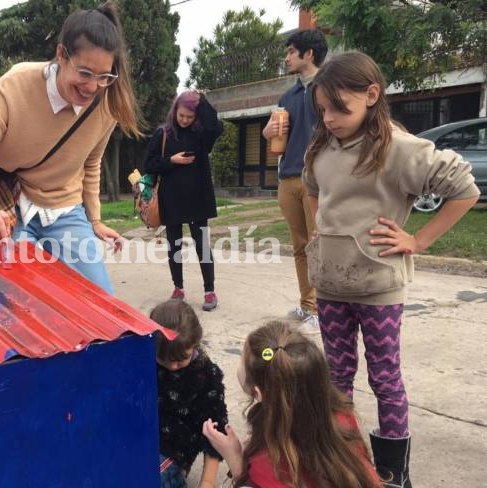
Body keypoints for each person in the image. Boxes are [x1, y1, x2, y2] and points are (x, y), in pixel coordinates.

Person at [303, 52, 479, 487]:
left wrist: (417, 240)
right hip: (330, 288)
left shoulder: (400, 149)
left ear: (371, 95)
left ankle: (394, 473)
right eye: (322, 109)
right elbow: (312, 189)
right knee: (336, 378)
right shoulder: (322, 148)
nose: (328, 118)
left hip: (379, 288)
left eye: (338, 108)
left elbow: (465, 189)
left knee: (384, 377)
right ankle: (341, 461)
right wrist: (318, 236)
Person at [0, 1, 142, 295]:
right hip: (11, 205)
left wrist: (95, 220)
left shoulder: (107, 102)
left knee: (102, 300)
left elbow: (91, 163)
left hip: (65, 209)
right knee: (19, 298)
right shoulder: (16, 85)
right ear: (61, 55)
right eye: (85, 73)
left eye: (104, 76)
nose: (93, 86)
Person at [203, 321, 381, 487]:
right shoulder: (342, 415)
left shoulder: (270, 463)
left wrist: (233, 457)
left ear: (258, 393)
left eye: (242, 359)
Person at [262, 29, 328, 330]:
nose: (287, 57)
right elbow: (275, 138)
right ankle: (308, 305)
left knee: (319, 246)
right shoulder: (287, 96)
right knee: (300, 246)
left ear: (308, 54)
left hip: (319, 180)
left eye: (291, 51)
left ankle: (324, 309)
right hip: (288, 179)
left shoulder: (329, 89)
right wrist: (267, 133)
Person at [144, 90, 223, 311]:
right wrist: (172, 160)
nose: (185, 120)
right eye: (182, 115)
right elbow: (149, 165)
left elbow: (216, 128)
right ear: (175, 111)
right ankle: (178, 288)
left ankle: (210, 291)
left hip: (198, 198)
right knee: (174, 246)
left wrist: (203, 101)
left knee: (203, 246)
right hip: (172, 199)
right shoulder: (164, 133)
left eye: (190, 116)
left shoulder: (202, 134)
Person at [151, 299, 228, 488]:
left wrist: (208, 482)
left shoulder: (207, 376)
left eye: (181, 359)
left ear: (195, 343)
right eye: (164, 359)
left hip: (174, 452)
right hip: (141, 440)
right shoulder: (147, 359)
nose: (172, 366)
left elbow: (215, 430)